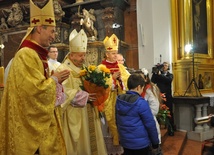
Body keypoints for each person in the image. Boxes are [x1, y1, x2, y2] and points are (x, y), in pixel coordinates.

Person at [0, 0, 70, 154]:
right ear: (39, 28)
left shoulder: (37, 55)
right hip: (32, 134)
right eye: (52, 31)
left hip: (42, 126)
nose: (54, 36)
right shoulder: (26, 54)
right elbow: (31, 93)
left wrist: (54, 81)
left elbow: (40, 86)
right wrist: (55, 80)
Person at [56, 29, 107, 155]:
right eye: (80, 55)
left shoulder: (85, 69)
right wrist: (83, 96)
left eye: (84, 54)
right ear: (71, 54)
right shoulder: (63, 69)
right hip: (74, 113)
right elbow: (61, 93)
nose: (83, 58)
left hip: (89, 111)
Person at [98, 34, 130, 154]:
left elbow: (128, 81)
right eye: (113, 53)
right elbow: (99, 86)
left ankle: (119, 150)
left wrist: (121, 80)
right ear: (107, 54)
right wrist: (112, 79)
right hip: (107, 102)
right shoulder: (101, 68)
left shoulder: (121, 67)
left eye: (116, 53)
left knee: (120, 123)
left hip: (119, 101)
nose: (115, 55)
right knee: (108, 126)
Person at [116, 73, 160, 155]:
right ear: (138, 87)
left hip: (125, 142)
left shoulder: (119, 100)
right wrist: (155, 143)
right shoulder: (141, 102)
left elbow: (117, 122)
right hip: (140, 144)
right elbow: (150, 125)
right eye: (142, 88)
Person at [140, 68, 163, 154]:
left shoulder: (150, 90)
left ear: (146, 78)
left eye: (141, 78)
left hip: (149, 121)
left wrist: (141, 114)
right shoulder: (138, 89)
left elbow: (154, 109)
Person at [151, 61, 175, 134]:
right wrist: (155, 73)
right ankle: (157, 127)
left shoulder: (170, 75)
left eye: (166, 65)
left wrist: (159, 74)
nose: (164, 67)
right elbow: (152, 81)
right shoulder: (158, 75)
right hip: (160, 95)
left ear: (168, 67)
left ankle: (171, 128)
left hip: (167, 96)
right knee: (158, 111)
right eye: (163, 65)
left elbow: (168, 80)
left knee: (169, 112)